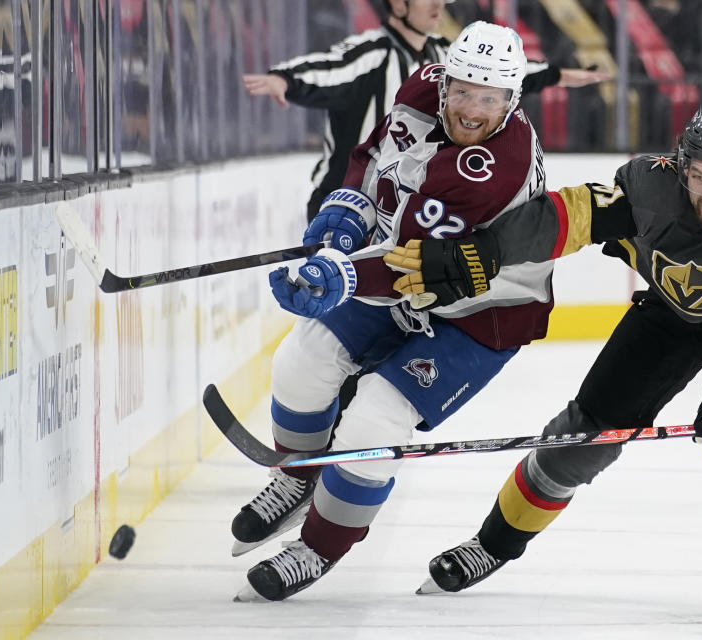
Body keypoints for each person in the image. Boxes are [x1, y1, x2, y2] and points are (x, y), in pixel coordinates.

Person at [386, 98, 702, 616]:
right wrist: (486, 250)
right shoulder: (649, 183)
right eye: (700, 176)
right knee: (581, 435)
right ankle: (492, 544)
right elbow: (569, 214)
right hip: (669, 313)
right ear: (683, 163)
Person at [232, 21, 558, 603]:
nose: (471, 109)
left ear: (512, 99)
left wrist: (342, 272)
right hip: (402, 273)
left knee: (374, 422)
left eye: (488, 98)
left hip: (481, 310)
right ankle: (298, 473)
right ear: (445, 80)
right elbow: (374, 155)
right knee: (300, 361)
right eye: (462, 90)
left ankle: (320, 546)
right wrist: (350, 205)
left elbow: (414, 262)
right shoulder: (419, 87)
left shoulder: (493, 170)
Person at [242, 0, 611, 223]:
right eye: (427, 0)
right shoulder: (374, 53)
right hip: (345, 201)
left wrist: (554, 73)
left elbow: (497, 76)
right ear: (398, 4)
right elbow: (331, 67)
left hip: (404, 203)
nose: (438, 7)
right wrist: (285, 79)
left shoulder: (443, 54)